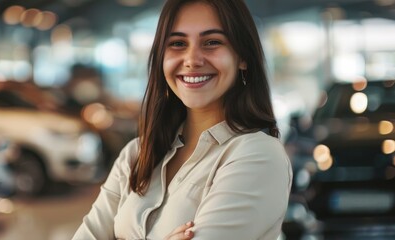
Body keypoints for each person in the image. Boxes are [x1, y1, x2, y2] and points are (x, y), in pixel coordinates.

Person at [72, 0, 292, 239]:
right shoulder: (136, 155)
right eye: (177, 43)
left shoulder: (258, 155)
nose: (192, 59)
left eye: (212, 42)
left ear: (243, 57)